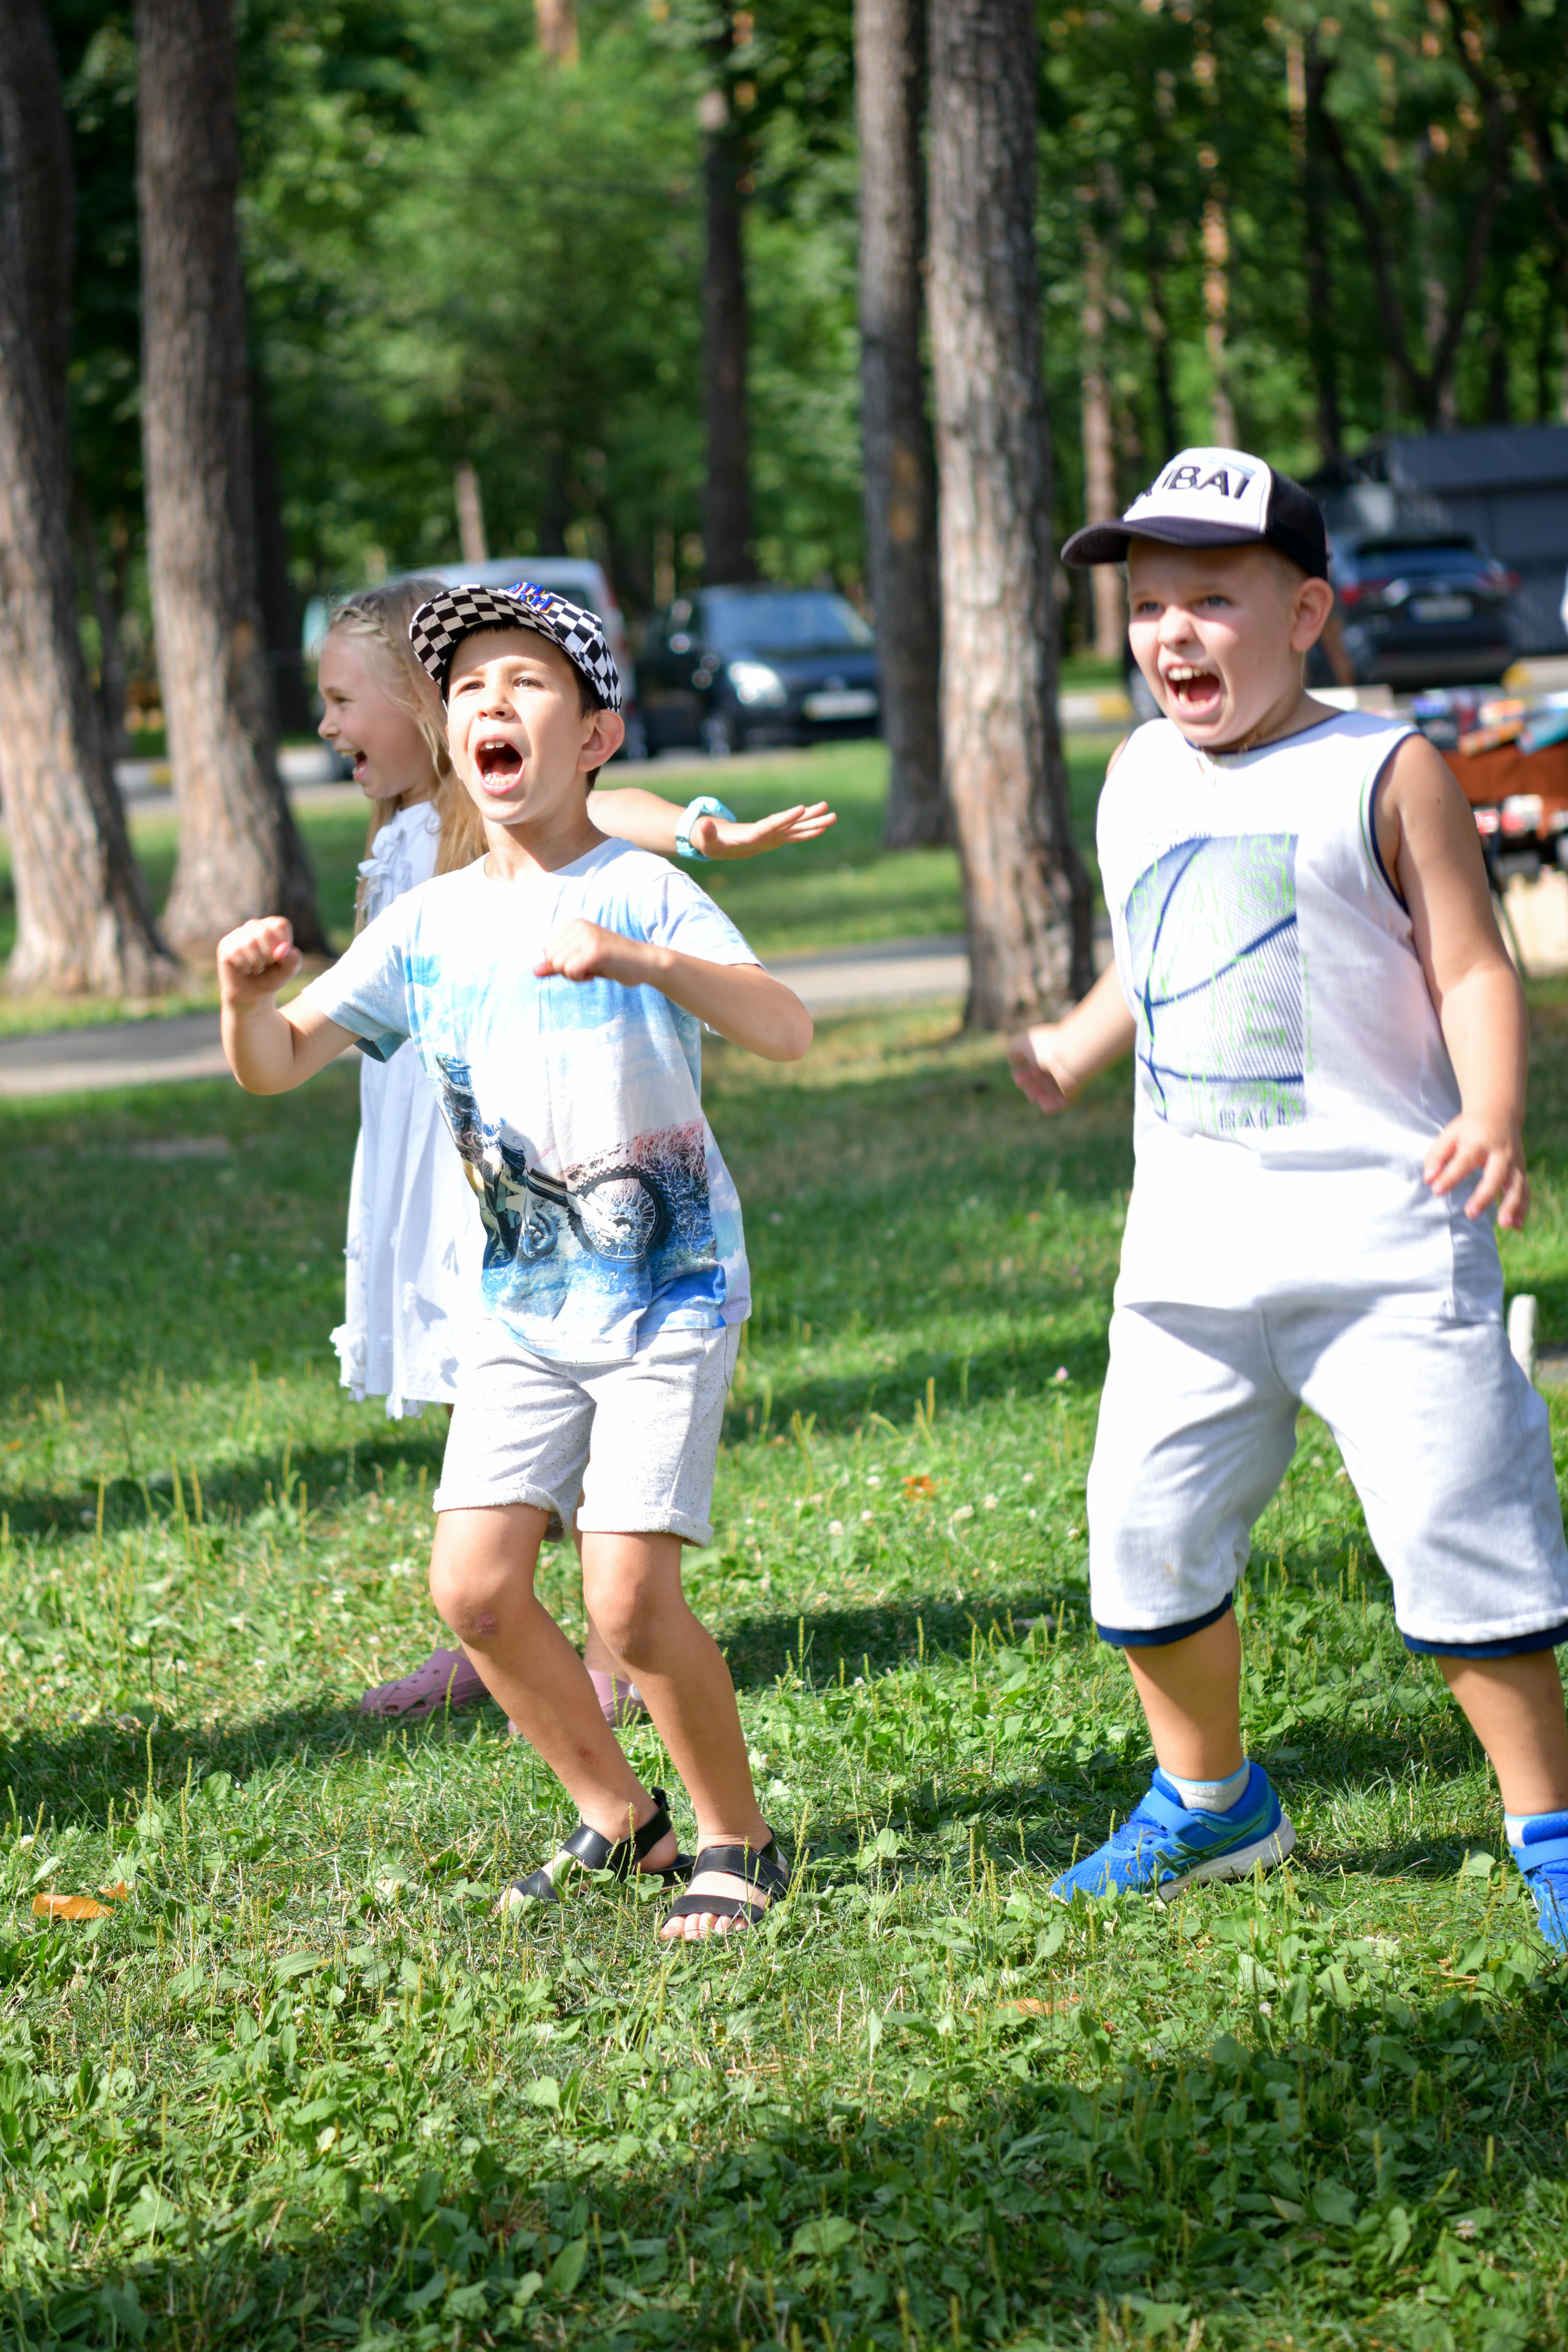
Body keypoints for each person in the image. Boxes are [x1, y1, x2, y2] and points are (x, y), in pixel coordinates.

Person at [1009, 447, 1568, 1951]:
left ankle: (1549, 1824)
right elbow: (1160, 940)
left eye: (1212, 599)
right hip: (1186, 1256)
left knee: (1465, 1538)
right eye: (1146, 605)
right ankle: (1208, 1803)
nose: (1171, 633)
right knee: (1141, 1536)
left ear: (1306, 608)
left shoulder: (1382, 769)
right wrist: (1075, 1038)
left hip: (1385, 1238)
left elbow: (1466, 962)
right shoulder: (1136, 771)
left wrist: (1495, 1112)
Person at [219, 580, 811, 1940]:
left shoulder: (641, 887)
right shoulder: (426, 923)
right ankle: (624, 1821)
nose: (490, 702)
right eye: (468, 686)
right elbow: (277, 1066)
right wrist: (242, 1001)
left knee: (627, 1593)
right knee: (475, 1590)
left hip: (665, 1285)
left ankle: (737, 1837)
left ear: (597, 738)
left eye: (528, 683)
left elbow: (785, 1030)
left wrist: (641, 962)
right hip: (524, 1303)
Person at [315, 577, 835, 1729]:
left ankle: (615, 1641)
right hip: (465, 1142)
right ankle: (517, 1633)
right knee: (489, 1449)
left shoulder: (566, 847)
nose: (328, 725)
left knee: (620, 1520)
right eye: (470, 687)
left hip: (612, 1194)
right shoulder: (419, 865)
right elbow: (294, 1037)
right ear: (441, 714)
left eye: (346, 698)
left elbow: (620, 821)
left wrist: (703, 832)